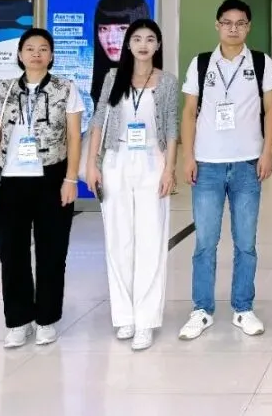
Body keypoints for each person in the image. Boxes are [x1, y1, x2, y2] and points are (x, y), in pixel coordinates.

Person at [0, 28, 83, 348]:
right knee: (12, 253)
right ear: (20, 55)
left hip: (52, 179)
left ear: (51, 55)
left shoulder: (66, 88)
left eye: (43, 48)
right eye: (30, 48)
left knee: (52, 252)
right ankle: (18, 320)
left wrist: (71, 178)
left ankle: (46, 319)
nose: (36, 53)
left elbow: (74, 136)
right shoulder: (4, 89)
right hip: (10, 181)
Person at [177, 0, 272, 340]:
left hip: (247, 164)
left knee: (245, 242)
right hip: (207, 164)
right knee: (205, 242)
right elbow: (189, 111)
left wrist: (267, 152)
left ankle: (243, 308)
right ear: (217, 25)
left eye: (240, 23)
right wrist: (188, 157)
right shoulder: (201, 63)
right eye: (227, 22)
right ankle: (201, 309)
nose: (233, 28)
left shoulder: (261, 62)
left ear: (248, 27)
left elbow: (271, 108)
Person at [86, 18, 179, 351]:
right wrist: (91, 164)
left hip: (153, 160)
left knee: (151, 239)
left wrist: (169, 170)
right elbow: (98, 121)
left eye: (150, 39)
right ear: (128, 44)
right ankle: (124, 316)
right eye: (137, 39)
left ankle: (146, 319)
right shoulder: (113, 78)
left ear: (158, 45)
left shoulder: (167, 81)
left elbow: (172, 127)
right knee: (119, 239)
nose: (143, 44)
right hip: (117, 159)